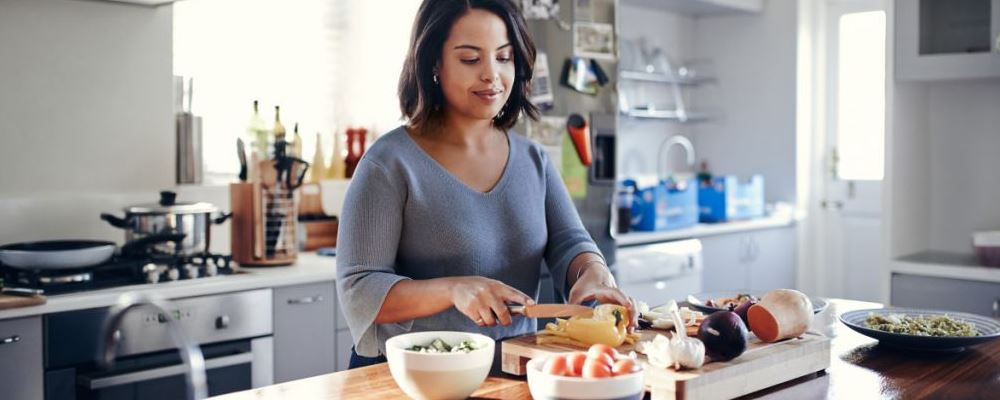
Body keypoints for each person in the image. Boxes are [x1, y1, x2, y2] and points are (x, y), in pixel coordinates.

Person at [336, 0, 634, 369]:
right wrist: (454, 289)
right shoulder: (389, 163)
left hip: (510, 371)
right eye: (470, 59)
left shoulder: (533, 160)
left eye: (504, 57)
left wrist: (593, 274)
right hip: (410, 378)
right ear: (433, 63)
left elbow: (571, 244)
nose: (492, 75)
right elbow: (359, 289)